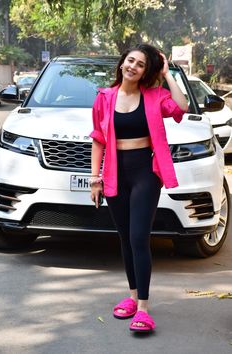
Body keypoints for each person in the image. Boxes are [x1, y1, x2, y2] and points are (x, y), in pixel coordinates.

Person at [89, 43, 188, 334]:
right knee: (124, 237)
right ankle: (132, 296)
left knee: (138, 237)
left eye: (141, 64)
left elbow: (181, 107)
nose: (133, 66)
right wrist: (95, 179)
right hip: (114, 173)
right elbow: (98, 139)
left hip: (145, 172)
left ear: (146, 71)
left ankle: (143, 308)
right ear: (122, 63)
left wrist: (168, 74)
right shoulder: (104, 97)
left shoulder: (156, 96)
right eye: (130, 60)